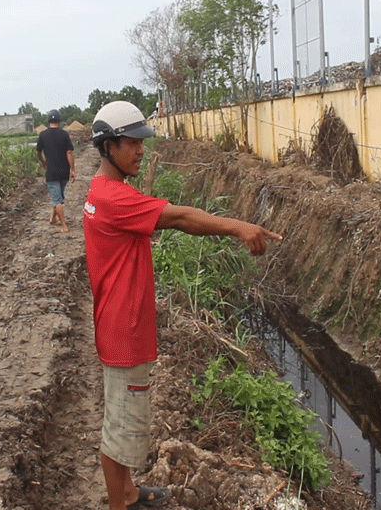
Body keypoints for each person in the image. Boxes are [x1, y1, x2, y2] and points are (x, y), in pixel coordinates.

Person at [83, 101, 282, 510]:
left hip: (118, 325)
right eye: (132, 143)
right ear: (108, 147)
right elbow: (179, 218)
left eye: (142, 142)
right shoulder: (114, 198)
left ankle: (128, 493)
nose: (141, 150)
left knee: (120, 422)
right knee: (118, 431)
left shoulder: (104, 192)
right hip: (125, 331)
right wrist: (237, 227)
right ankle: (121, 504)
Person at [36, 109, 76, 232]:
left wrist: (43, 162)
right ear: (59, 120)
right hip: (64, 171)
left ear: (49, 120)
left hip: (51, 172)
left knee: (57, 199)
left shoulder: (43, 135)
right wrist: (72, 170)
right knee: (58, 196)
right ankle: (53, 218)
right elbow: (69, 152)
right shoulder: (64, 134)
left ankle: (64, 225)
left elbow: (38, 151)